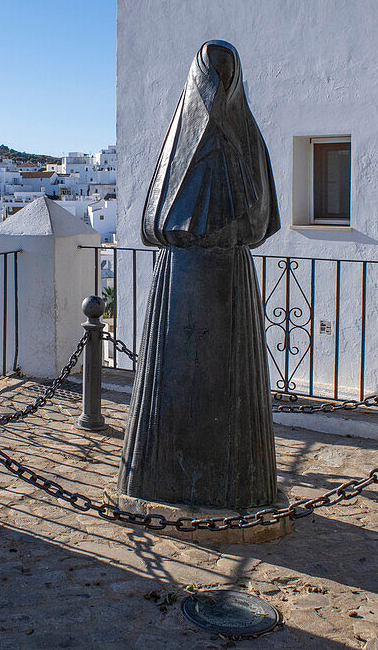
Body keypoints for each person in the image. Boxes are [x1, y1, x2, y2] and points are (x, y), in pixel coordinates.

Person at [117, 40, 280, 510]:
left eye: (227, 75)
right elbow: (156, 220)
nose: (219, 86)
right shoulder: (180, 142)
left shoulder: (247, 140)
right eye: (214, 75)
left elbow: (261, 217)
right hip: (181, 279)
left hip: (228, 280)